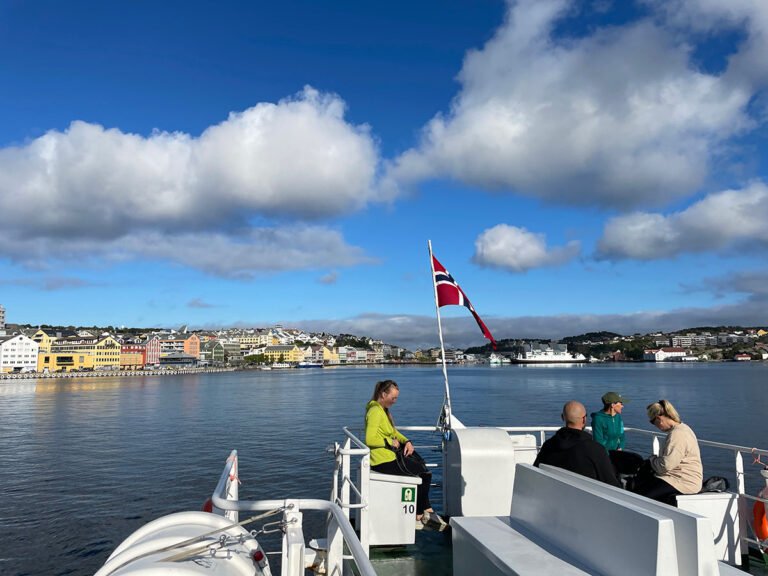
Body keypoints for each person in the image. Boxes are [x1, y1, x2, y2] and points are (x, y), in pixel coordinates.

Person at [364, 380, 447, 531]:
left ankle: (425, 511)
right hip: (382, 461)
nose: (395, 401)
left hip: (389, 457)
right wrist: (390, 442)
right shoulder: (375, 411)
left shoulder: (381, 410)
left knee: (422, 469)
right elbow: (369, 439)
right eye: (393, 398)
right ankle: (421, 512)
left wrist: (406, 441)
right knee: (424, 473)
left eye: (396, 398)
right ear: (383, 394)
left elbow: (393, 432)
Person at [534, 400, 621, 487]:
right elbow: (612, 485)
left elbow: (535, 472)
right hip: (586, 499)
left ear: (562, 417)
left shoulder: (548, 445)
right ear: (584, 419)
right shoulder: (595, 450)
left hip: (553, 495)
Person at [632, 399, 703, 506]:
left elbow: (666, 465)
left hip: (682, 481)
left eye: (653, 422)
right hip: (680, 478)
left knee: (638, 498)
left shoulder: (677, 435)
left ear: (659, 419)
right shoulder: (684, 428)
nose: (655, 426)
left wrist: (652, 460)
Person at [592, 392, 643, 476]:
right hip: (604, 456)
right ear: (612, 405)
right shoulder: (598, 419)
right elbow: (598, 442)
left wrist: (620, 448)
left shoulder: (618, 417)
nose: (623, 406)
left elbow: (622, 435)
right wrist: (609, 457)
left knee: (636, 462)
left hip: (617, 454)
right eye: (621, 403)